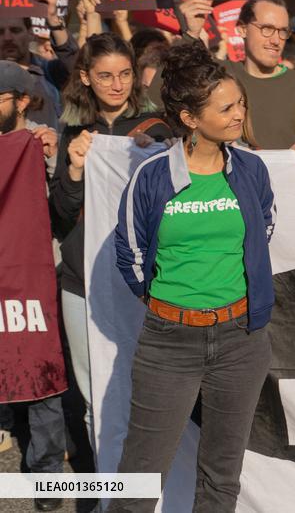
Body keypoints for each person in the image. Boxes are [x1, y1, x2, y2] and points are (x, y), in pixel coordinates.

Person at [110, 43, 275, 512]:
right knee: (141, 477)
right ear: (188, 117)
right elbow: (131, 252)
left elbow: (263, 227)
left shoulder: (250, 168)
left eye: (240, 102)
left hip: (241, 339)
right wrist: (169, 305)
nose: (239, 113)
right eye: (226, 108)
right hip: (169, 343)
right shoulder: (152, 175)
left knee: (222, 476)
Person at [49, 34, 170, 447]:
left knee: (147, 394)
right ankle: (109, 494)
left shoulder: (159, 127)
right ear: (85, 77)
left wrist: (156, 156)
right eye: (105, 76)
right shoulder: (73, 129)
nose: (117, 85)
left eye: (125, 74)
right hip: (82, 280)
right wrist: (76, 168)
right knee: (95, 395)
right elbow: (62, 213)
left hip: (145, 282)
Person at [0, 63, 64, 513]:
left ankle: (46, 475)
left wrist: (55, 157)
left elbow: (68, 198)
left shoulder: (41, 144)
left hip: (34, 276)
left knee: (42, 372)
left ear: (21, 101)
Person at [178, 0, 295, 149]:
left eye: (283, 31)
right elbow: (158, 98)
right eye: (267, 29)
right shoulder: (217, 75)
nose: (276, 40)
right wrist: (192, 33)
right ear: (242, 29)